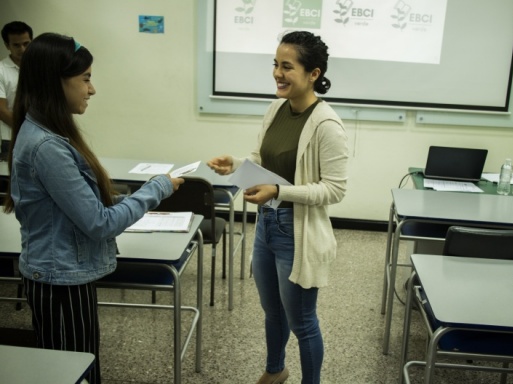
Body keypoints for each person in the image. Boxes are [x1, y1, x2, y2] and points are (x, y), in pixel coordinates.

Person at [2, 32, 184, 384]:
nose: (92, 88)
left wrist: (128, 199)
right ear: (56, 82)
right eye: (85, 78)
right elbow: (99, 224)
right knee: (76, 373)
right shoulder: (47, 146)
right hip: (60, 279)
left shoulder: (45, 133)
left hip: (62, 273)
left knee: (76, 366)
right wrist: (157, 189)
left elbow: (79, 208)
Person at [208, 31, 348, 384]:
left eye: (287, 67)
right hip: (267, 225)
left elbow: (335, 189)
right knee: (273, 313)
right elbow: (262, 157)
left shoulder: (327, 124)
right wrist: (238, 166)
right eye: (275, 65)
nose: (277, 74)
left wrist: (279, 192)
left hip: (296, 231)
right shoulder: (276, 109)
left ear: (313, 74)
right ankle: (275, 370)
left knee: (302, 321)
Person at [0, 21, 33, 161]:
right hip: (10, 137)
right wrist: (25, 129)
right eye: (16, 45)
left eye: (26, 43)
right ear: (7, 46)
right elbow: (1, 110)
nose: (23, 49)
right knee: (10, 180)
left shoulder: (39, 68)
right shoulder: (1, 70)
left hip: (38, 137)